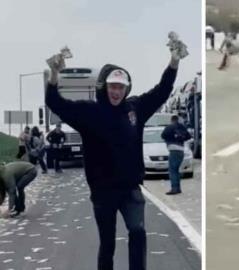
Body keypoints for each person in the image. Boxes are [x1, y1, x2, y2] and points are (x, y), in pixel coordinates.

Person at [45, 37, 184, 270]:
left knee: (138, 232)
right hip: (103, 191)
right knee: (107, 243)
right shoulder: (90, 112)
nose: (117, 92)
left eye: (121, 87)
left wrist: (174, 62)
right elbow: (55, 102)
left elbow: (162, 91)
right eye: (112, 87)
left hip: (130, 188)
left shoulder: (135, 109)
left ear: (126, 88)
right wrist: (54, 74)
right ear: (104, 87)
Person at [161, 115, 191, 195]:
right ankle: (178, 188)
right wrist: (180, 138)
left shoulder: (169, 127)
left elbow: (163, 135)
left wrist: (171, 138)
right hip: (181, 150)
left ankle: (174, 188)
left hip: (173, 150)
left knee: (172, 170)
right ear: (178, 120)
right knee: (176, 170)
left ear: (171, 120)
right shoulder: (182, 127)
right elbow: (189, 136)